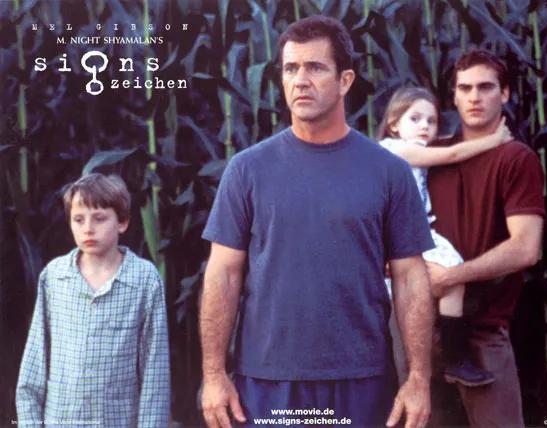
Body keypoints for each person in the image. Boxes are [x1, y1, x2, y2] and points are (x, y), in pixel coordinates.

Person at [199, 15, 434, 428]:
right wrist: (215, 375)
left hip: (362, 377)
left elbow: (411, 278)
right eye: (291, 68)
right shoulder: (248, 170)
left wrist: (418, 378)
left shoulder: (387, 172)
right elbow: (223, 274)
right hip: (268, 380)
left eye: (315, 68)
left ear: (345, 80)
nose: (300, 81)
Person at [427, 50, 545, 427]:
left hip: (482, 329)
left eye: (485, 87)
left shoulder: (516, 158)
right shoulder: (432, 156)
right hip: (420, 330)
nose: (474, 97)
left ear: (505, 93)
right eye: (465, 88)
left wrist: (452, 277)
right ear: (454, 96)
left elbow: (526, 248)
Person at [377, 86, 512, 388]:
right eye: (415, 119)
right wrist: (494, 140)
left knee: (452, 275)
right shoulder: (393, 149)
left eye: (432, 121)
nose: (425, 126)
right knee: (437, 283)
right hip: (398, 237)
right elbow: (451, 153)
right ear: (394, 124)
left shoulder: (416, 148)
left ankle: (452, 357)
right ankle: (450, 359)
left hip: (419, 233)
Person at [16, 173, 170, 427]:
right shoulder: (54, 277)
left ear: (122, 222)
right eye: (78, 219)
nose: (88, 228)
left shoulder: (144, 280)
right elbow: (34, 365)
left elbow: (155, 374)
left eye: (99, 218)